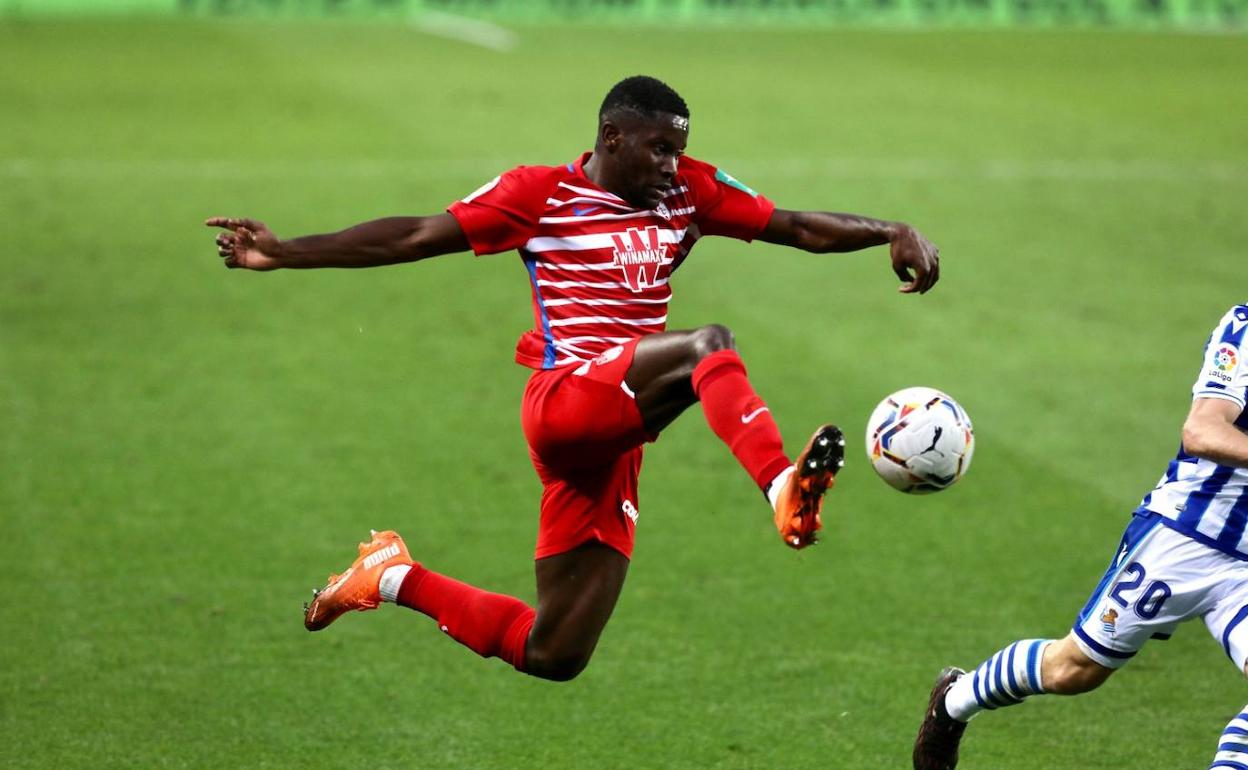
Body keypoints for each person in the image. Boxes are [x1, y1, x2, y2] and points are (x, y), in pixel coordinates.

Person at [208, 75, 940, 682]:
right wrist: (285, 253)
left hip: (618, 434)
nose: (671, 165)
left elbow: (797, 226)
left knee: (555, 652)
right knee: (706, 347)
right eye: (658, 149)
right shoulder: (540, 194)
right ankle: (784, 489)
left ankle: (390, 576)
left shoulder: (689, 192)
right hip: (563, 403)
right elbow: (415, 235)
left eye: (679, 151)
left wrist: (889, 231)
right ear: (612, 139)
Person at [912, 303, 1248, 769]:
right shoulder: (1244, 329)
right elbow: (1203, 430)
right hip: (1184, 537)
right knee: (1074, 670)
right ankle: (954, 701)